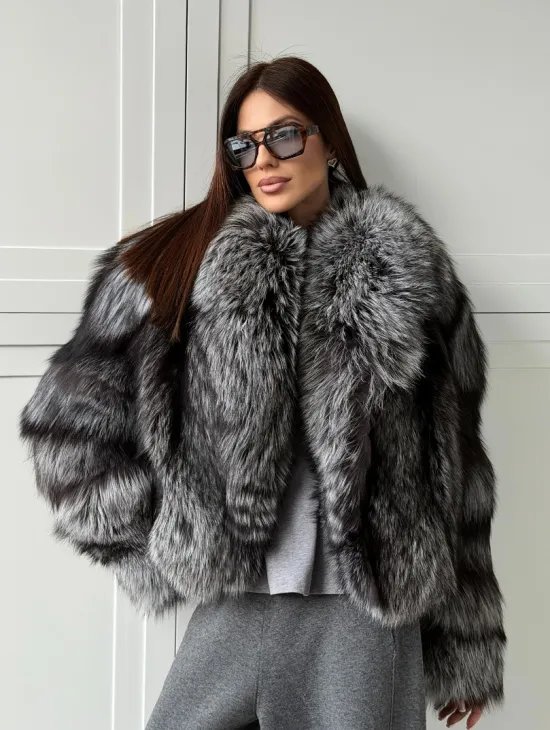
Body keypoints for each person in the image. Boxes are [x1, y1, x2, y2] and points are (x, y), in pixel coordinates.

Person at [18, 55, 506, 730]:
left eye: (284, 135)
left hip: (362, 626)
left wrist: (466, 647)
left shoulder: (412, 274)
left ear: (328, 140)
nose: (264, 159)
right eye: (244, 145)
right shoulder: (176, 265)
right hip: (232, 612)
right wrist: (164, 550)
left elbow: (459, 472)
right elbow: (65, 433)